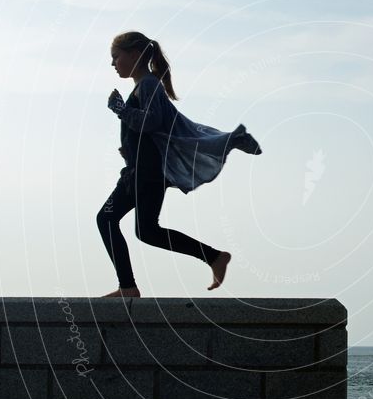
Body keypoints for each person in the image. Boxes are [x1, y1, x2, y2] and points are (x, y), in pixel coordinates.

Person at [97, 31, 262, 297]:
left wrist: (121, 110)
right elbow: (151, 131)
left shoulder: (149, 85)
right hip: (144, 172)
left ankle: (128, 287)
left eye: (116, 57)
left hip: (145, 174)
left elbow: (152, 121)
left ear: (135, 54)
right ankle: (213, 257)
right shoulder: (145, 86)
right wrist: (128, 149)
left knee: (106, 219)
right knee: (147, 231)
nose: (113, 63)